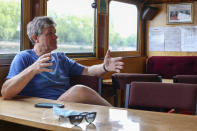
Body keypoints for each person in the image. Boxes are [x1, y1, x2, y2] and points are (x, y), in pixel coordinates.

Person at [1, 16, 124, 106]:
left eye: (55, 33)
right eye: (50, 33)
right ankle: (112, 112)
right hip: (40, 108)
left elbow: (88, 71)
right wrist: (33, 69)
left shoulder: (61, 58)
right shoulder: (24, 57)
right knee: (79, 90)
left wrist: (104, 67)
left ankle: (111, 114)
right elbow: (6, 92)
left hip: (65, 106)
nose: (56, 37)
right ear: (35, 38)